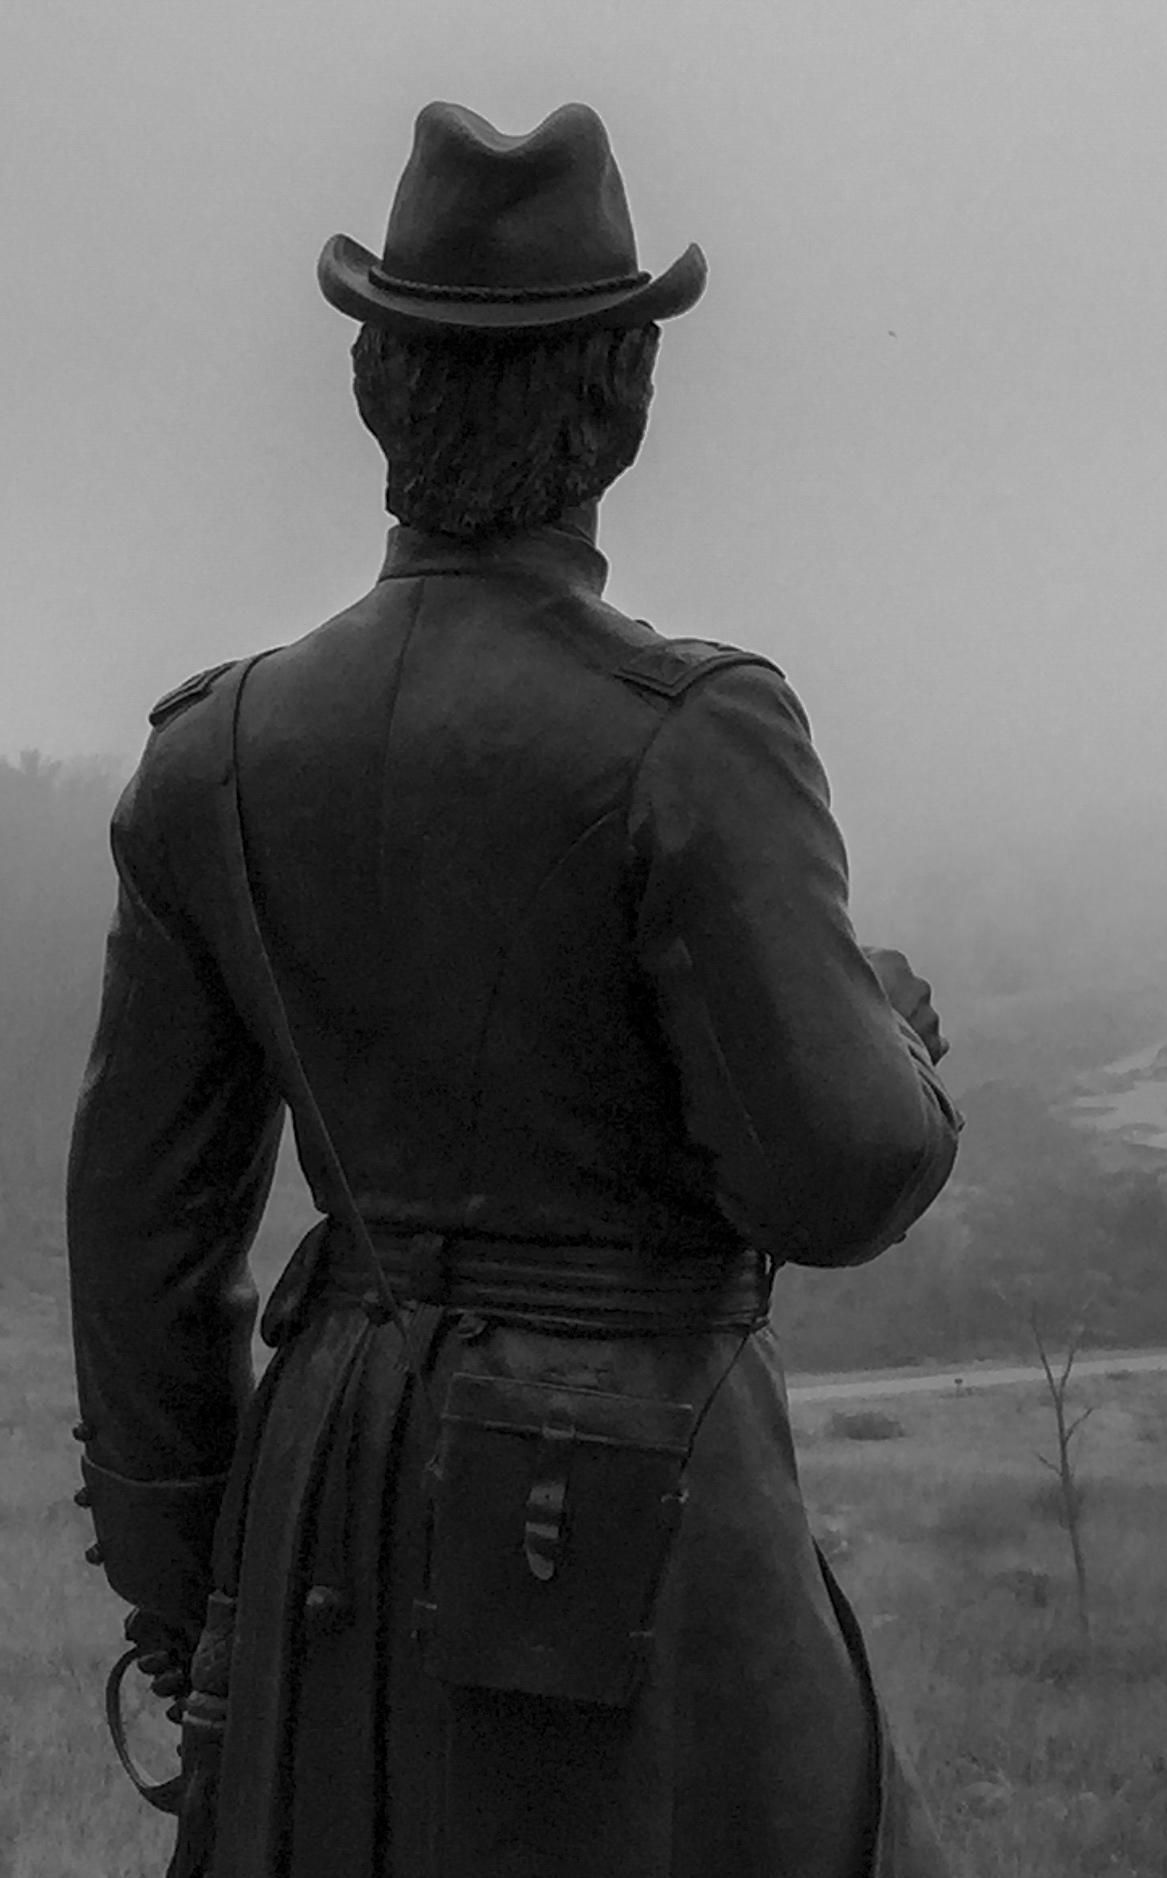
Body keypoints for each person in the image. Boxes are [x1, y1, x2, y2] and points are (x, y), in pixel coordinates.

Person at [65, 101, 960, 1875]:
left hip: (324, 1524)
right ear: (623, 395)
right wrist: (896, 1035)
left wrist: (199, 1617)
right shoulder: (700, 737)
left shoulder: (214, 761)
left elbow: (141, 1241)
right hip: (642, 1521)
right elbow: (844, 1173)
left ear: (374, 392)